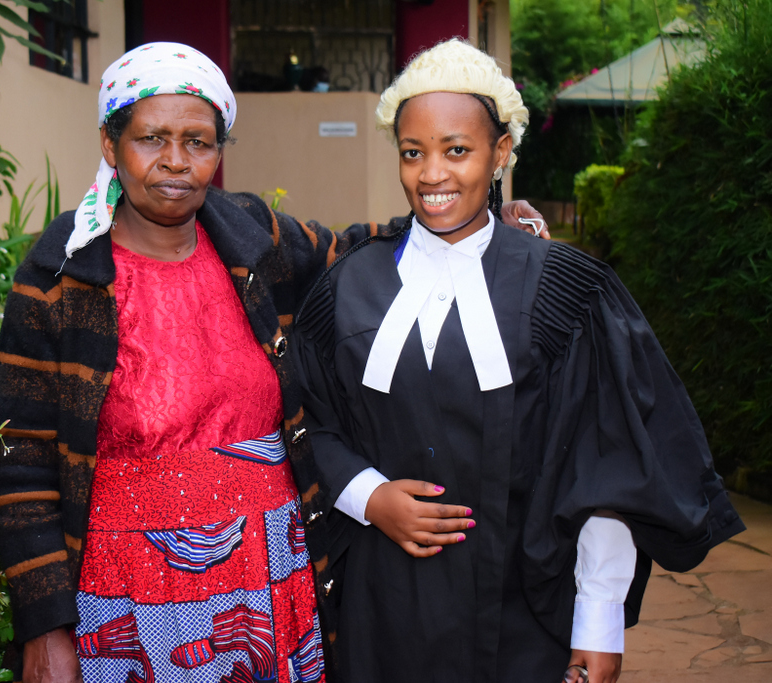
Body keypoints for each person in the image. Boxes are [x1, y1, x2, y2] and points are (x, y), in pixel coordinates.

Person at [0, 42, 548, 683]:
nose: (176, 161)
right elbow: (18, 462)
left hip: (272, 576)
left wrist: (481, 220)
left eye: (198, 142)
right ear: (111, 146)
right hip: (124, 595)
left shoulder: (250, 238)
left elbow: (357, 250)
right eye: (151, 138)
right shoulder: (60, 275)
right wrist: (45, 627)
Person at [291, 39, 745, 683]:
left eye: (457, 150)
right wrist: (369, 496)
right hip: (382, 601)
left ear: (501, 151)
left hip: (525, 605)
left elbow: (605, 466)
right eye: (413, 152)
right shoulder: (350, 283)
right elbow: (308, 418)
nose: (432, 174)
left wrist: (598, 620)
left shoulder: (566, 292)